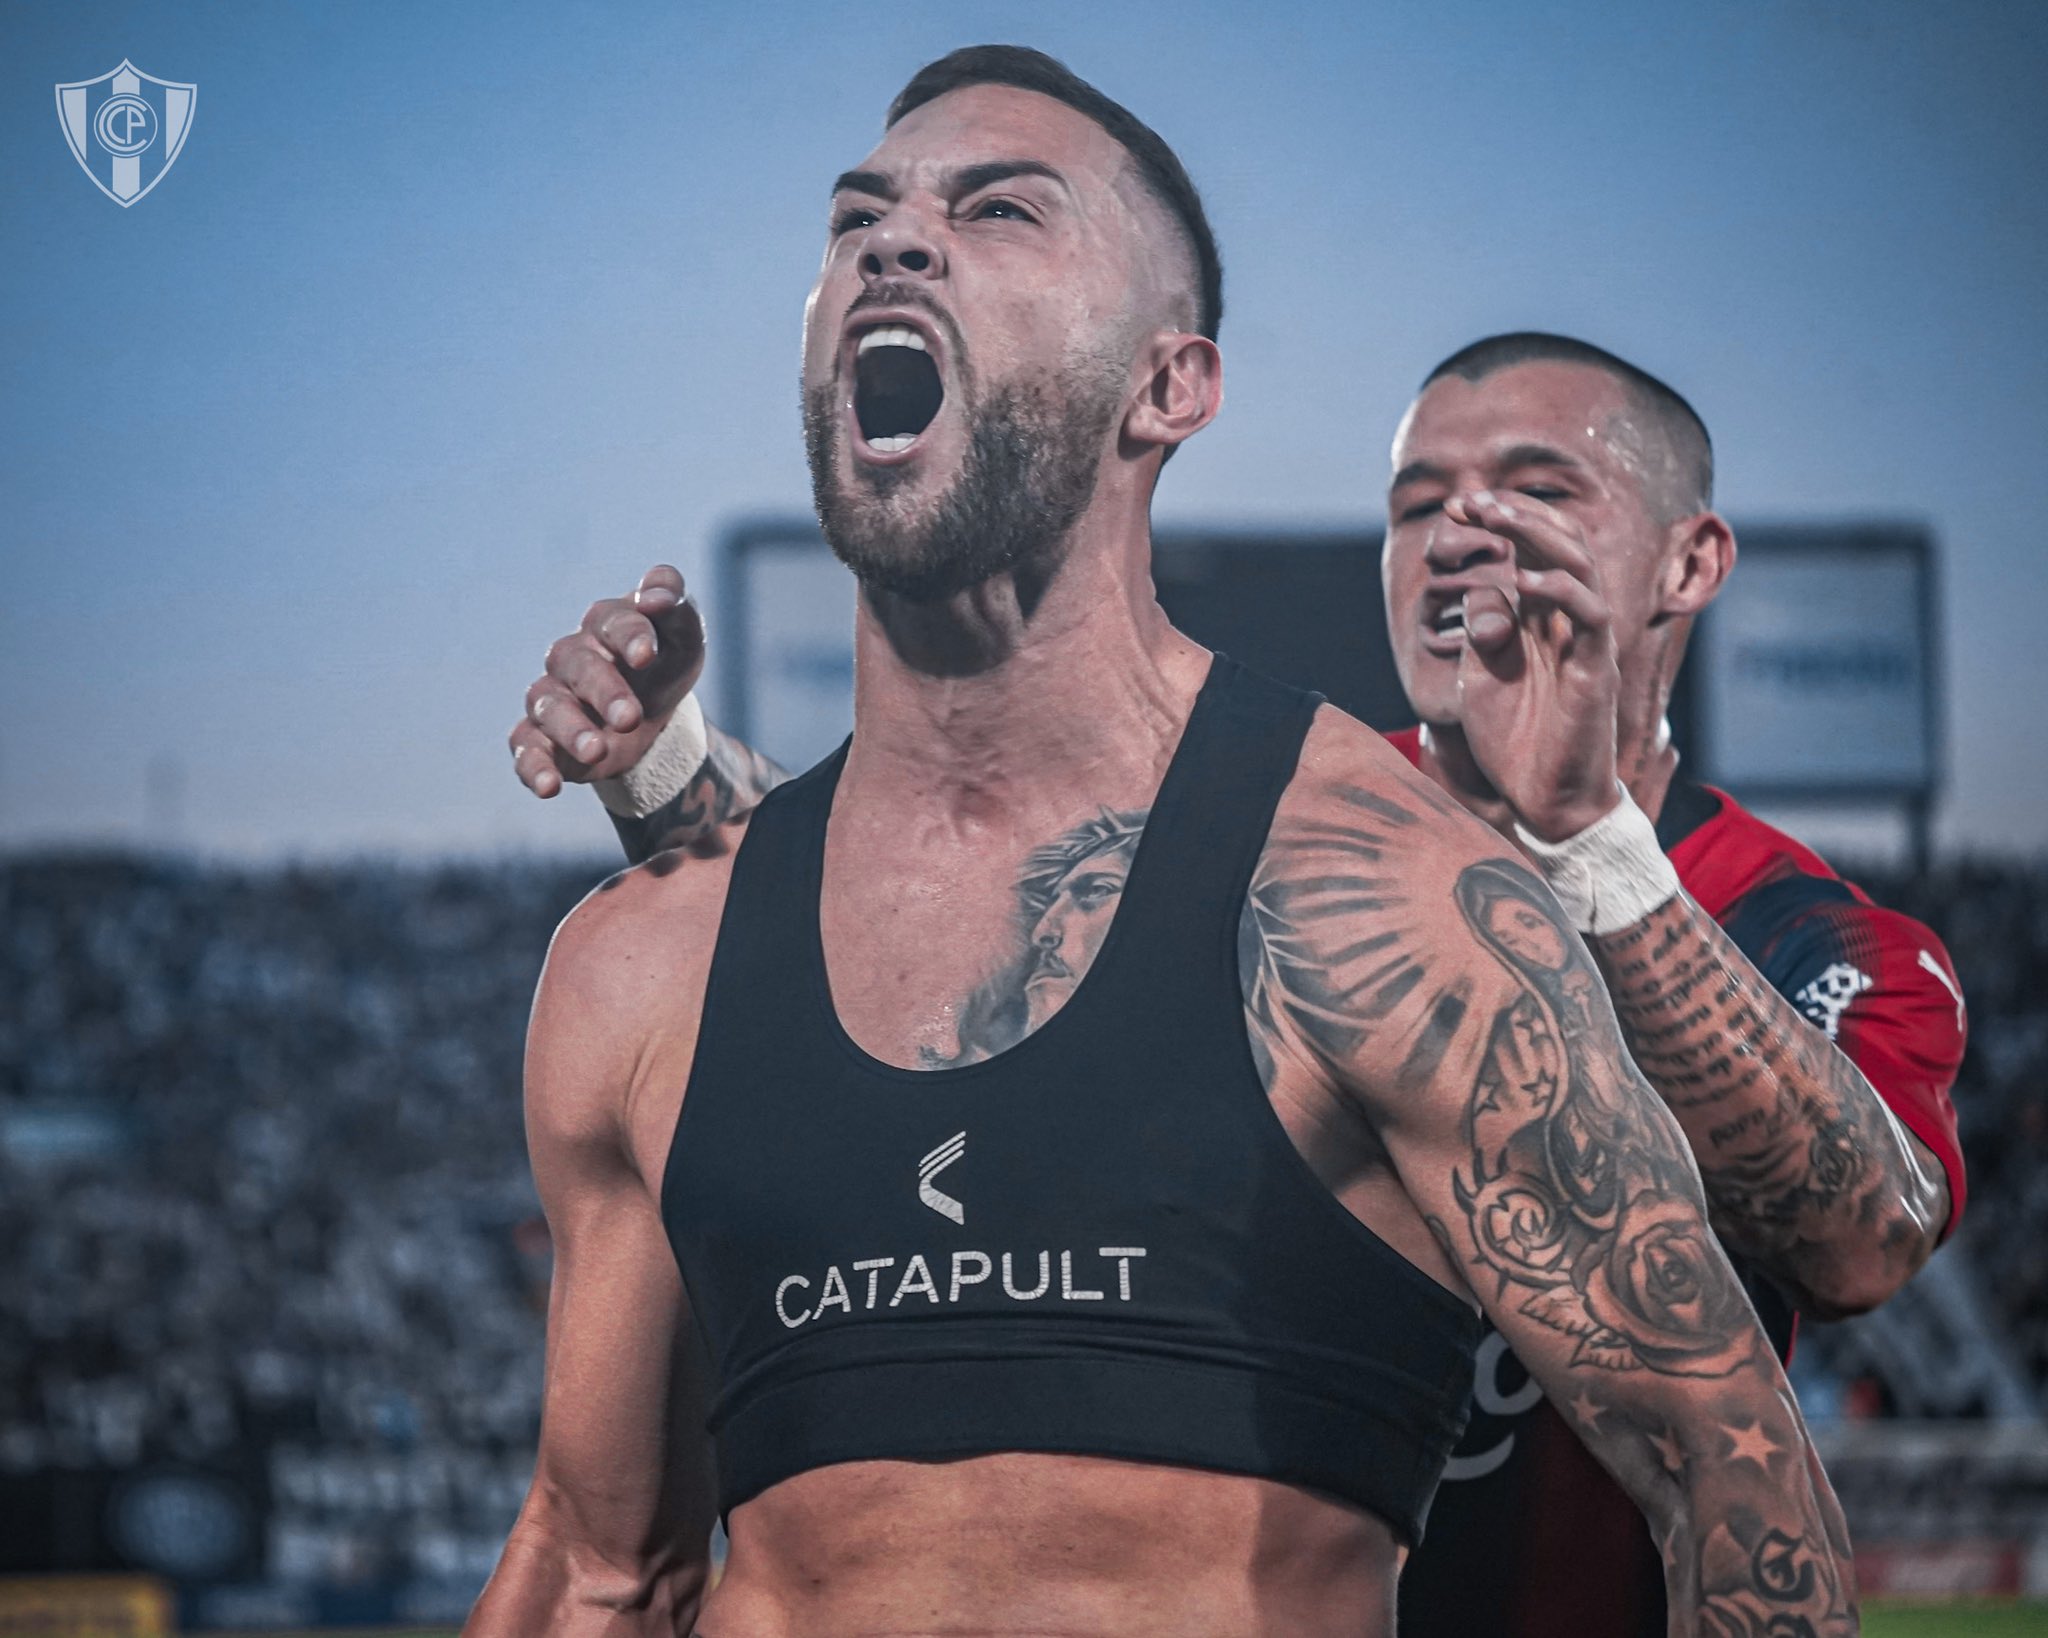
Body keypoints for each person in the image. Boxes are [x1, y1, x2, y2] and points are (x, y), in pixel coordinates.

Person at [476, 46, 1854, 1637]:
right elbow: (598, 1569)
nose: (894, 241)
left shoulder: (1399, 913)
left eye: (999, 213)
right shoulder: (645, 964)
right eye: (860, 216)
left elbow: (1733, 1474)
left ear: (1169, 386)